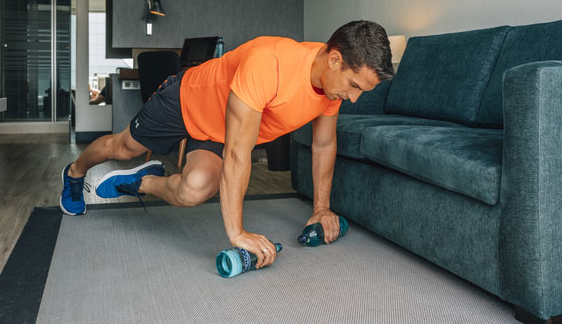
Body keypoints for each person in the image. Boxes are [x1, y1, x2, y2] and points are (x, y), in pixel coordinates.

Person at [61, 20, 395, 270]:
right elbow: (238, 153)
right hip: (187, 100)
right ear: (335, 59)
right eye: (354, 86)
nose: (352, 99)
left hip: (221, 130)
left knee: (192, 191)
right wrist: (237, 233)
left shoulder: (331, 88)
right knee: (122, 148)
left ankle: (139, 181)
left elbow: (323, 145)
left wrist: (321, 208)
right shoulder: (272, 62)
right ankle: (75, 173)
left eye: (361, 91)